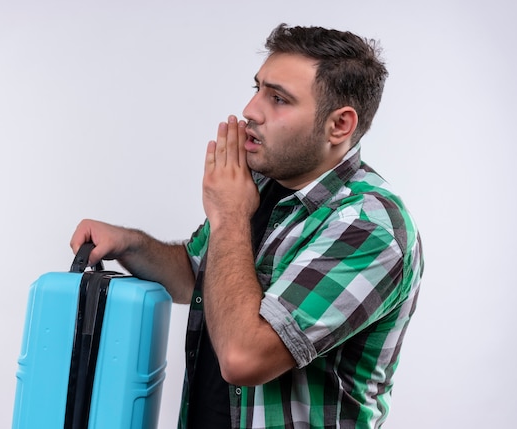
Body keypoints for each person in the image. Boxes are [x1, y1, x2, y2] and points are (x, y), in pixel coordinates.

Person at [70, 23, 423, 429]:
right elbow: (195, 276)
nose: (251, 110)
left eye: (278, 99)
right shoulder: (263, 183)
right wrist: (129, 244)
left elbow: (243, 358)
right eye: (257, 89)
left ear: (339, 125)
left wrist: (230, 216)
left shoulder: (369, 227)